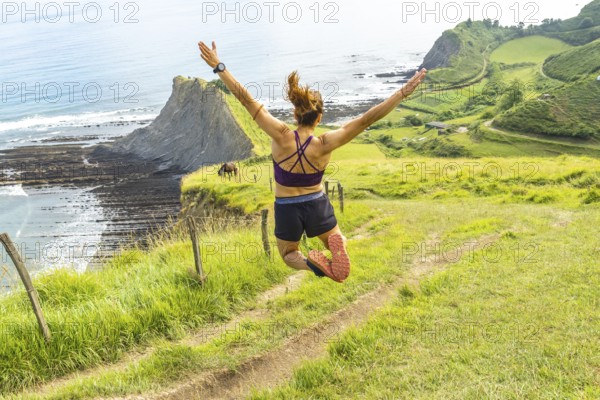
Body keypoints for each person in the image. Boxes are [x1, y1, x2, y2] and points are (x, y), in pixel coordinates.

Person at [199, 41, 426, 283]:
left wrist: (219, 66)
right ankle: (337, 247)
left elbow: (246, 99)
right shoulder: (325, 143)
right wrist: (401, 94)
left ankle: (314, 267)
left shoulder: (280, 134)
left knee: (288, 254)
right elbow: (364, 120)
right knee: (337, 240)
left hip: (287, 207)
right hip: (317, 203)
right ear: (319, 118)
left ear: (295, 114)